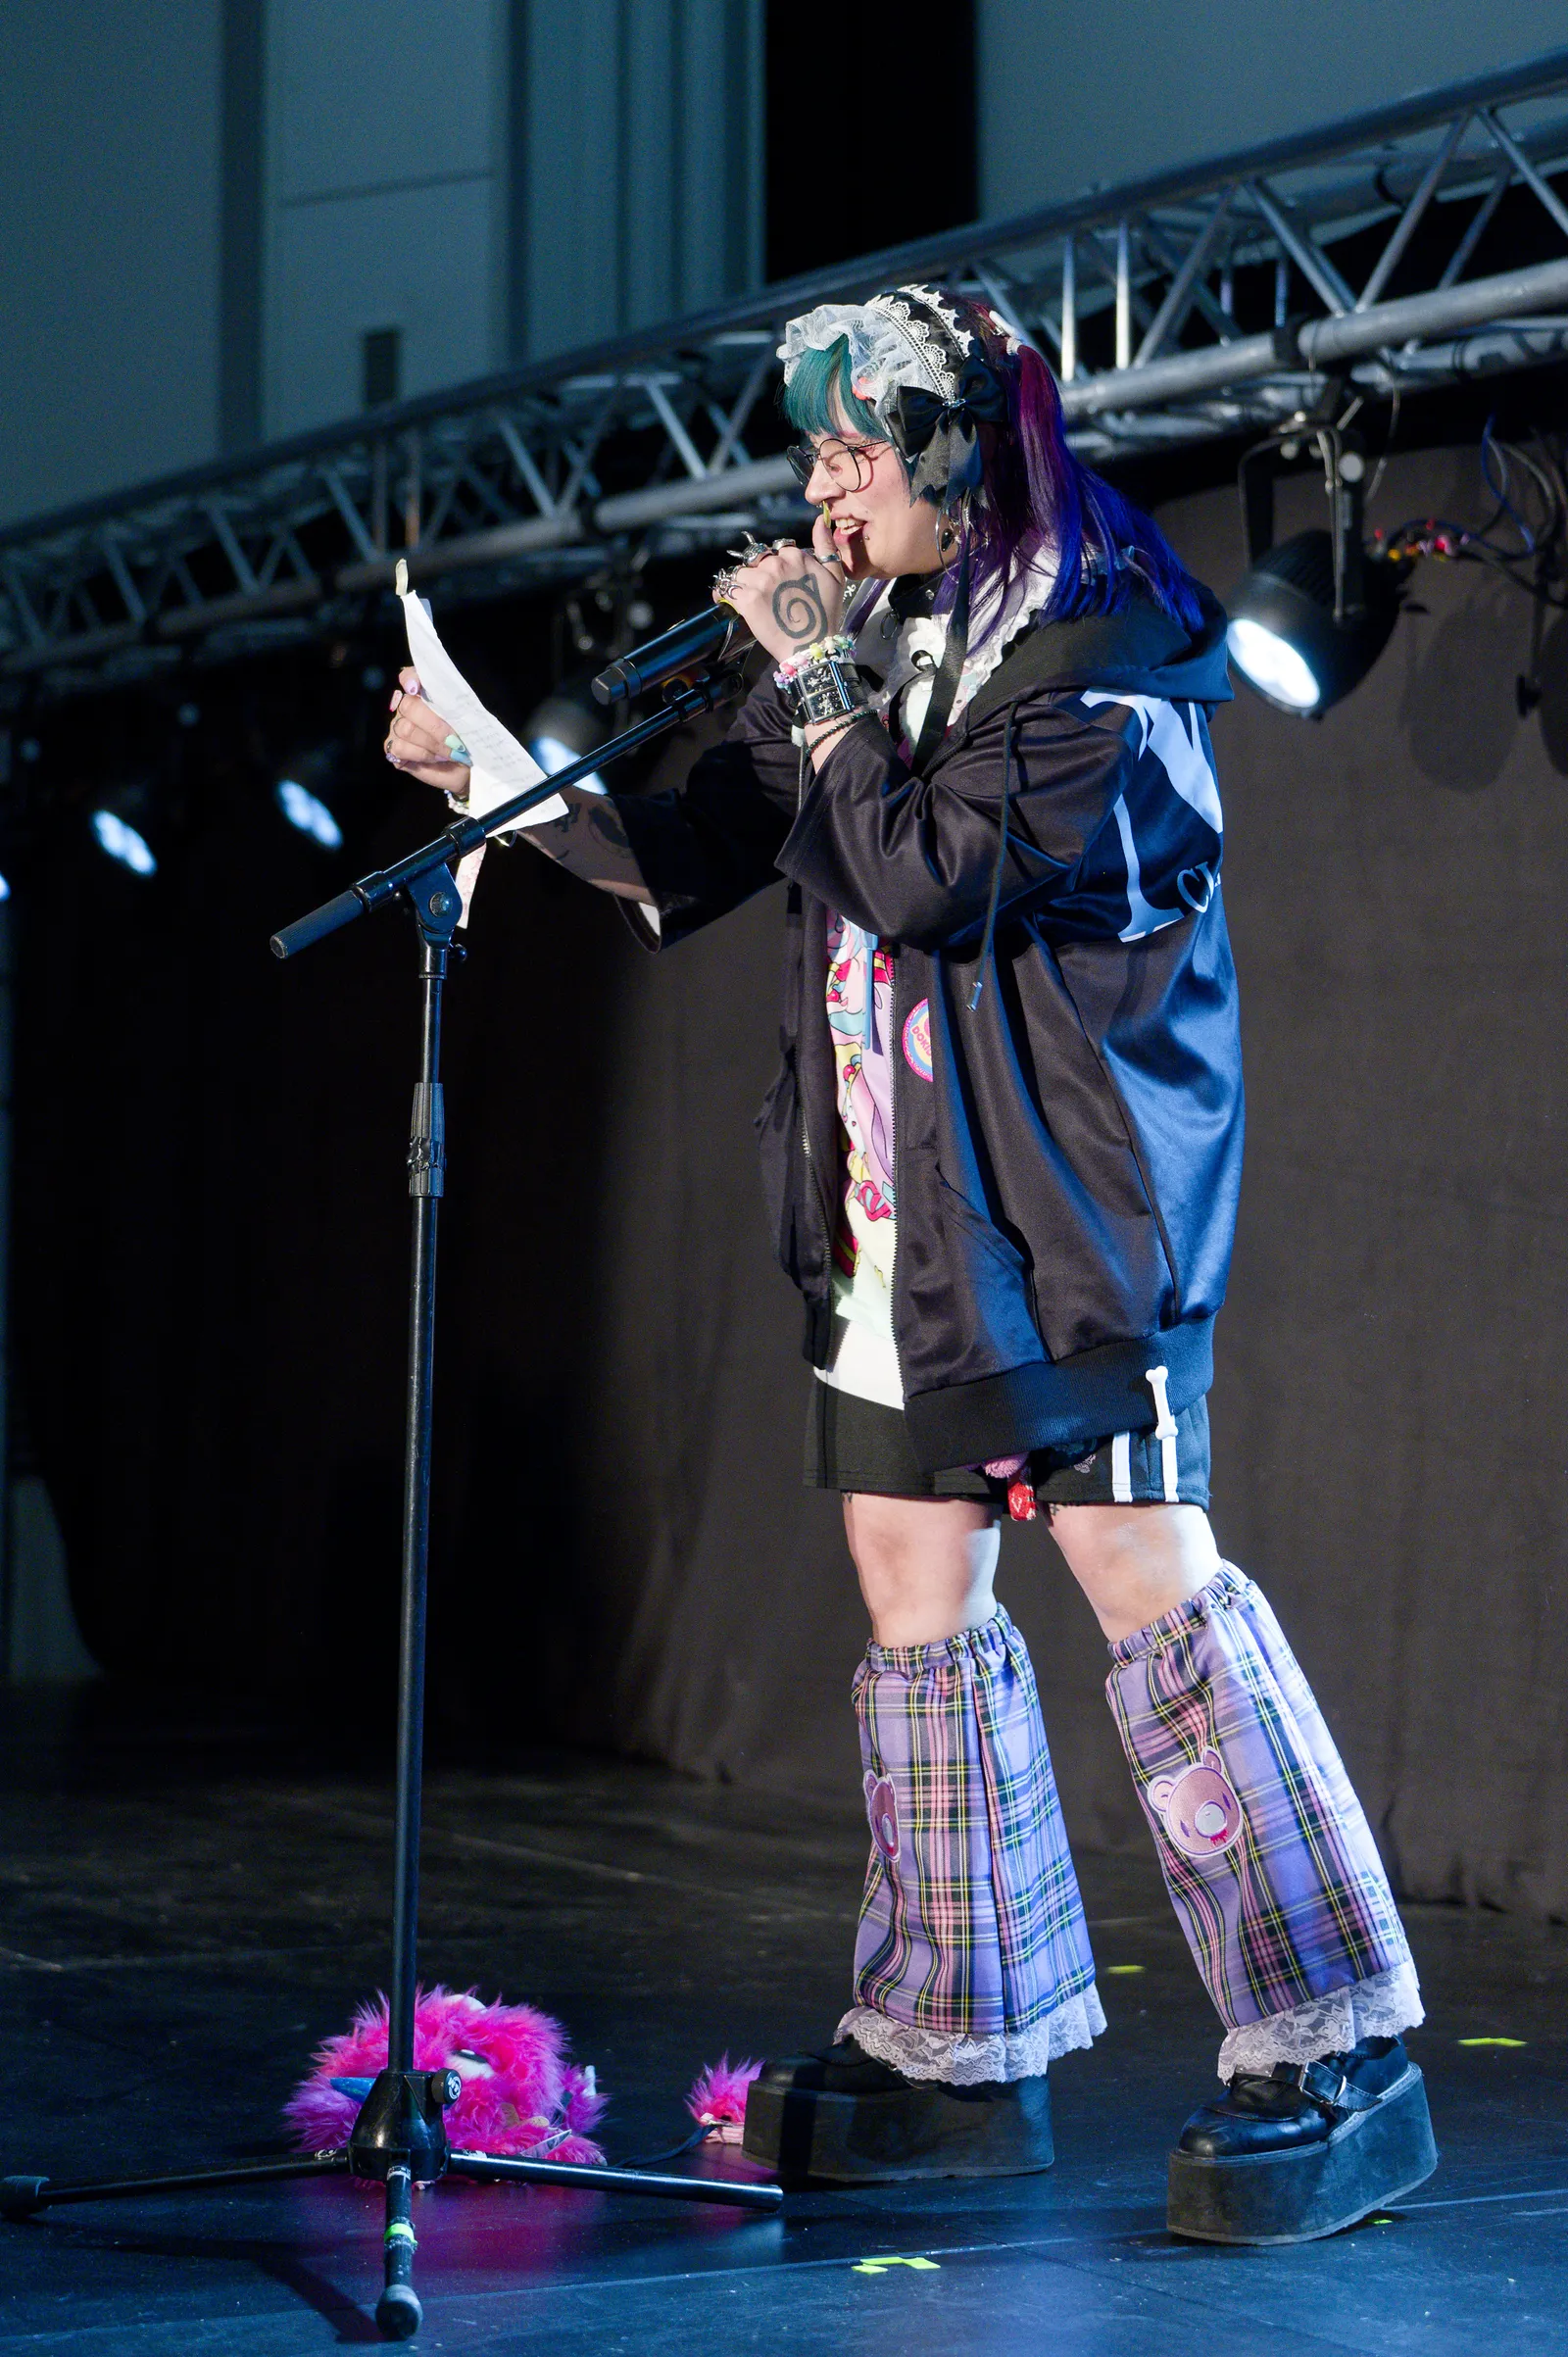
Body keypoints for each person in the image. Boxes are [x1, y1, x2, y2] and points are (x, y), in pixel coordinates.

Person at [384, 284, 1435, 2242]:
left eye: (855, 452)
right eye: (814, 456)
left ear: (962, 455)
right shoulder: (885, 654)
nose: (820, 492)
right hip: (900, 1223)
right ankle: (962, 2043)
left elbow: (924, 868)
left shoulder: (1101, 655)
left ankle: (1335, 2042)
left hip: (1068, 1222)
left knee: (1148, 1592)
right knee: (910, 1591)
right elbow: (707, 846)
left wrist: (810, 679)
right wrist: (496, 782)